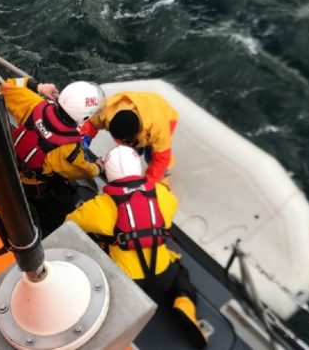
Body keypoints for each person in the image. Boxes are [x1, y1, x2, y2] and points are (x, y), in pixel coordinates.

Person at [66, 146, 211, 348]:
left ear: (109, 173)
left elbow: (71, 222)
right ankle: (184, 302)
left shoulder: (101, 206)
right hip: (163, 276)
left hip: (128, 284)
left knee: (103, 269)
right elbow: (171, 208)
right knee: (181, 274)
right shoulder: (161, 194)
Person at [0, 77, 106, 237]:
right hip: (34, 185)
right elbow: (80, 171)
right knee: (58, 210)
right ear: (84, 117)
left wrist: (38, 86)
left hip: (7, 163)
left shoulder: (35, 104)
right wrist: (97, 167)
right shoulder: (68, 147)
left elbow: (7, 85)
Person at [80, 91, 178, 184]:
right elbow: (91, 124)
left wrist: (149, 184)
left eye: (125, 142)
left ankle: (165, 178)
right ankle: (134, 154)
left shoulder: (158, 129)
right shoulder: (106, 111)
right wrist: (83, 142)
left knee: (152, 156)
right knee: (132, 150)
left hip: (165, 114)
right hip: (141, 107)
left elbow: (161, 157)